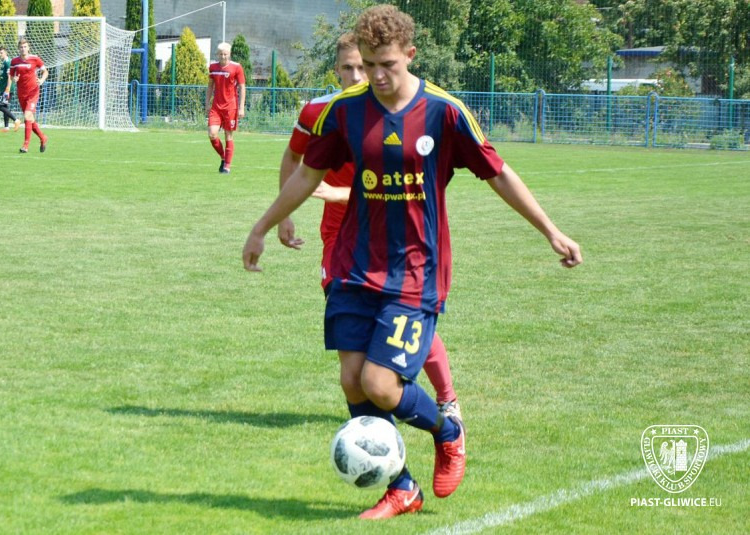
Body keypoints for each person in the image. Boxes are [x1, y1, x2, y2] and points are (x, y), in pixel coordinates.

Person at [243, 4, 582, 519]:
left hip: (415, 271)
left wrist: (551, 230)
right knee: (352, 380)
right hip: (355, 265)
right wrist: (262, 226)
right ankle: (402, 487)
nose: (377, 76)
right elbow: (307, 174)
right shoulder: (345, 111)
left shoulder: (445, 112)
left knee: (380, 384)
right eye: (369, 65)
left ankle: (448, 431)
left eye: (388, 65)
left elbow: (498, 174)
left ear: (410, 54)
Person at [277, 33, 463, 425]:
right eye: (349, 68)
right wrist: (284, 215)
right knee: (353, 334)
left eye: (364, 66)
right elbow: (293, 157)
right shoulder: (321, 112)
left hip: (391, 236)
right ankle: (382, 431)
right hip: (338, 238)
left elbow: (400, 188)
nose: (358, 76)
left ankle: (446, 400)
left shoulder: (398, 111)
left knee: (400, 319)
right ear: (336, 70)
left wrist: (339, 193)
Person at [206, 42, 246, 174]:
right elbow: (210, 86)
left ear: (229, 54)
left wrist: (241, 107)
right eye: (220, 54)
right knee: (212, 134)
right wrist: (207, 102)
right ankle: (223, 157)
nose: (223, 56)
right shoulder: (213, 67)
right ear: (217, 54)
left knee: (228, 135)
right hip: (216, 107)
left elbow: (242, 87)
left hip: (231, 107)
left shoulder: (237, 67)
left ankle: (227, 166)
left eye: (225, 54)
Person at [5, 37, 48, 154]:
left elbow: (45, 71)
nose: (23, 49)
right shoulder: (14, 61)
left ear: (28, 48)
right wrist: (14, 80)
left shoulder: (35, 59)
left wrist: (42, 80)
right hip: (21, 93)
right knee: (30, 120)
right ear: (18, 49)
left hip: (33, 92)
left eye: (25, 47)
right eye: (21, 47)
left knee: (27, 115)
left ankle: (26, 145)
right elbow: (12, 76)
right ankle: (43, 138)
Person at [0, 46, 20, 133]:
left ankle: (16, 120)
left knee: (0, 106)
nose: (0, 54)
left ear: (6, 53)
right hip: (4, 89)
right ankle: (6, 127)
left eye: (1, 53)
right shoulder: (3, 63)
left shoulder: (8, 62)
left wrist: (8, 88)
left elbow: (10, 76)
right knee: (5, 107)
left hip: (7, 89)